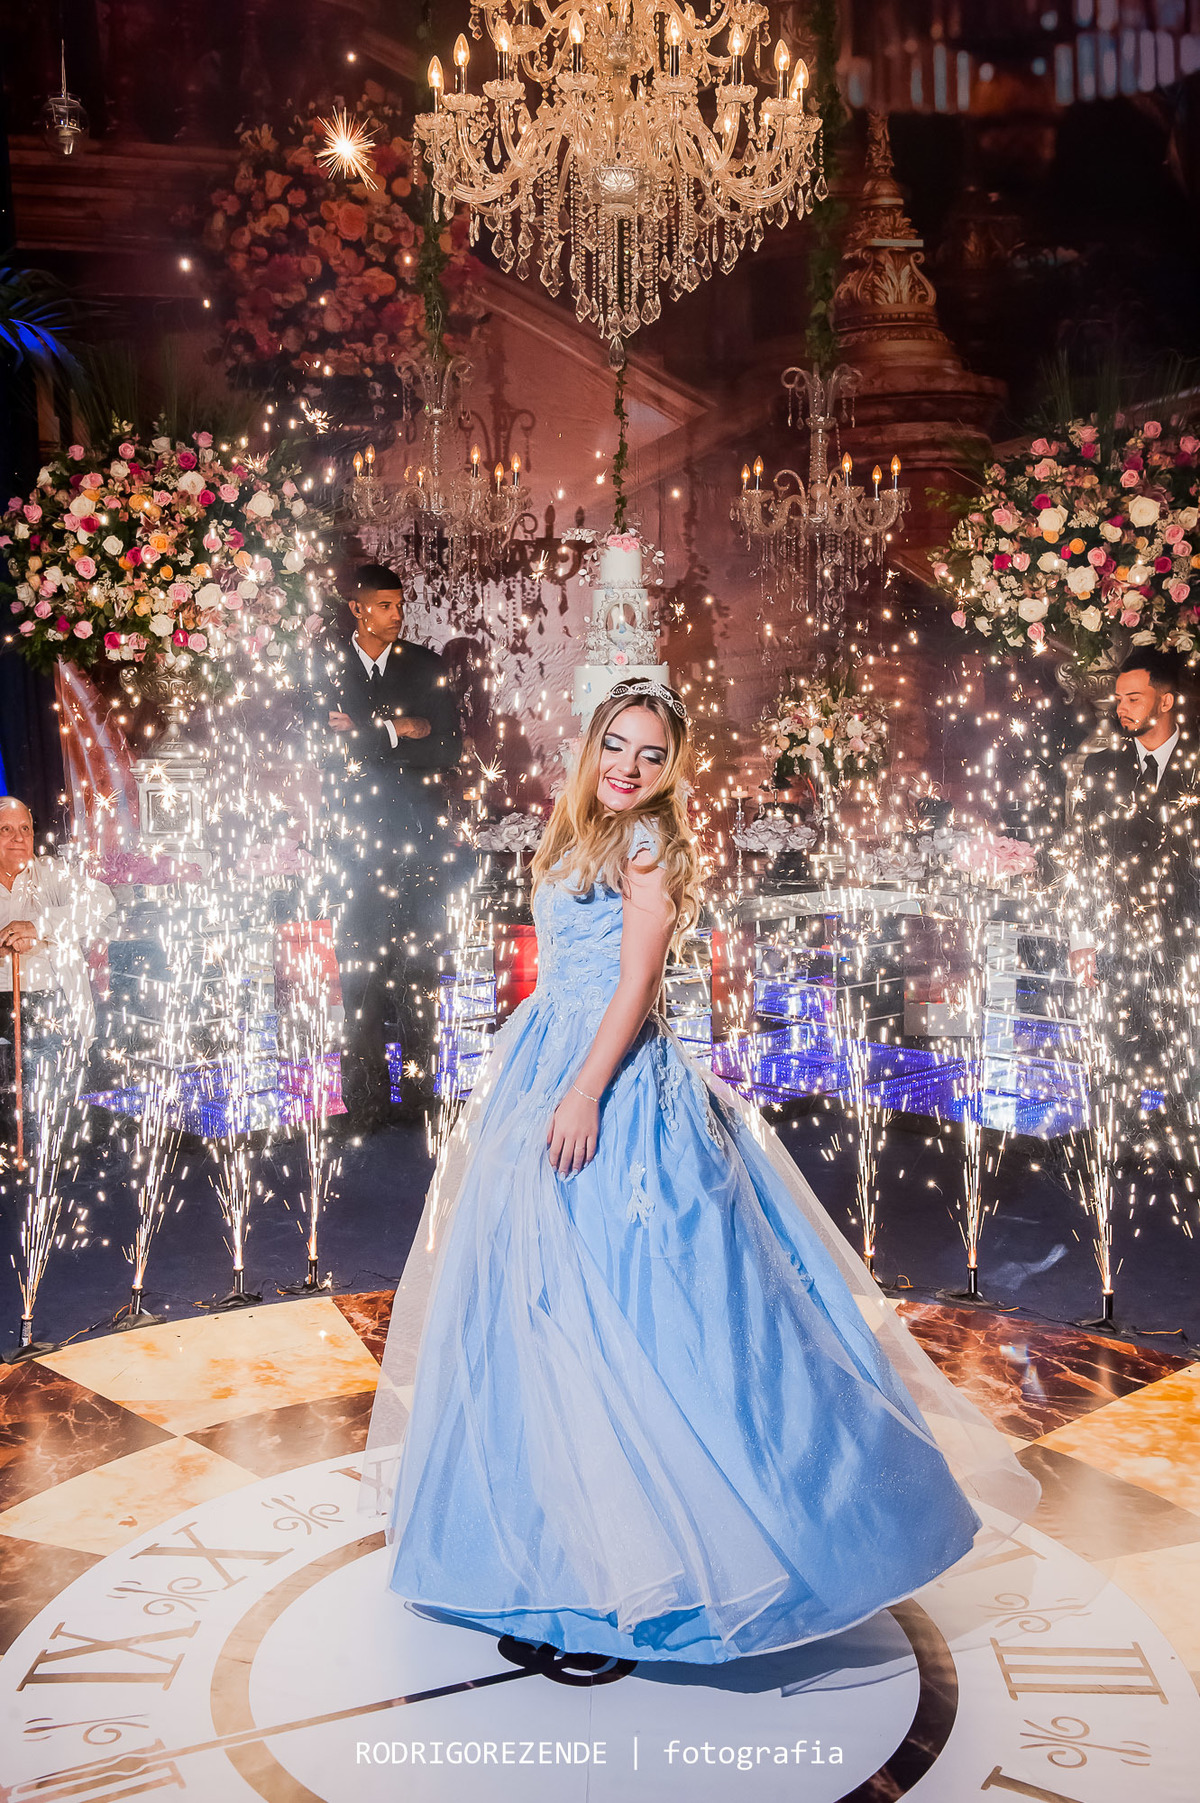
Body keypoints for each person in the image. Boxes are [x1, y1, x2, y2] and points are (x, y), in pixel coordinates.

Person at [364, 679, 1037, 1666]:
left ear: (671, 768)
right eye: (616, 749)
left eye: (649, 755)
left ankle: (708, 1552)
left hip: (609, 1076)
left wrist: (586, 1093)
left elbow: (636, 982)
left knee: (654, 1310)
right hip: (548, 1055)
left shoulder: (647, 849)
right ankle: (565, 1552)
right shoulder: (578, 837)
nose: (629, 769)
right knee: (542, 1306)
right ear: (594, 748)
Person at [316, 564, 462, 1125]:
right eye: (384, 605)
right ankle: (366, 1100)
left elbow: (447, 748)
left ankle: (422, 1097)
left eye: (401, 605)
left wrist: (369, 734)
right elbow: (325, 752)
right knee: (360, 973)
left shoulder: (426, 666)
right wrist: (404, 728)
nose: (397, 615)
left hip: (421, 842)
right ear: (358, 609)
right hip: (354, 848)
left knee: (420, 971)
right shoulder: (326, 668)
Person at [1067, 649, 1199, 1149]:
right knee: (1118, 1061)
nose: (1122, 707)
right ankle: (1116, 1153)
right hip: (1120, 939)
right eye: (1119, 697)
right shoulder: (1101, 767)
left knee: (1188, 1062)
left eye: (1134, 697)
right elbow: (1081, 854)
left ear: (1166, 701)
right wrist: (1082, 936)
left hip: (1189, 942)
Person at [0, 797, 115, 1135]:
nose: (18, 838)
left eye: (25, 829)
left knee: (50, 1103)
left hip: (48, 1001)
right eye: (6, 829)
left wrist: (39, 926)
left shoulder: (50, 873)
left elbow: (101, 900)